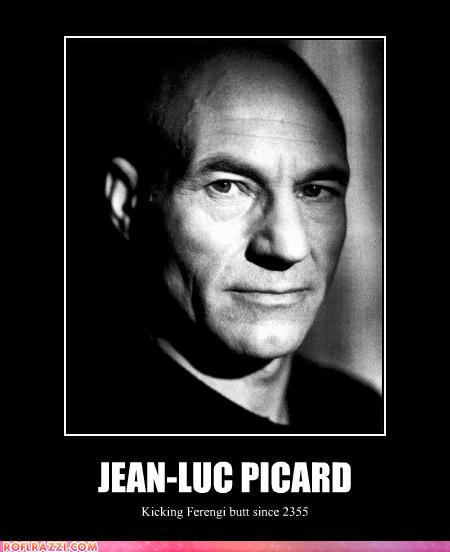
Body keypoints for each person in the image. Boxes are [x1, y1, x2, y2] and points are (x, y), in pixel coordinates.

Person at [70, 40, 382, 434]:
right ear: (127, 203)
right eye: (227, 187)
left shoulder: (359, 413)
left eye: (315, 190)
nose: (289, 246)